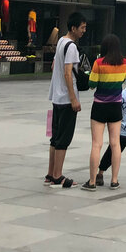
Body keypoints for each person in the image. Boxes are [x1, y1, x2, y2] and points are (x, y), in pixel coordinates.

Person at [45, 12, 86, 190]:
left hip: (56, 97)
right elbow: (68, 72)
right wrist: (73, 98)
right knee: (63, 138)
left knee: (55, 137)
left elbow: (55, 65)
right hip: (66, 99)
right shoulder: (72, 47)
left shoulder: (61, 41)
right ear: (73, 28)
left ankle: (50, 173)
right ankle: (57, 176)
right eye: (82, 28)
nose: (84, 31)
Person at [83, 34, 126, 190]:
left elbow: (92, 83)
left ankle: (92, 182)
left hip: (100, 106)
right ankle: (114, 180)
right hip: (116, 105)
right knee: (115, 143)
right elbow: (122, 80)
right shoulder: (125, 62)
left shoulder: (98, 63)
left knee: (97, 144)